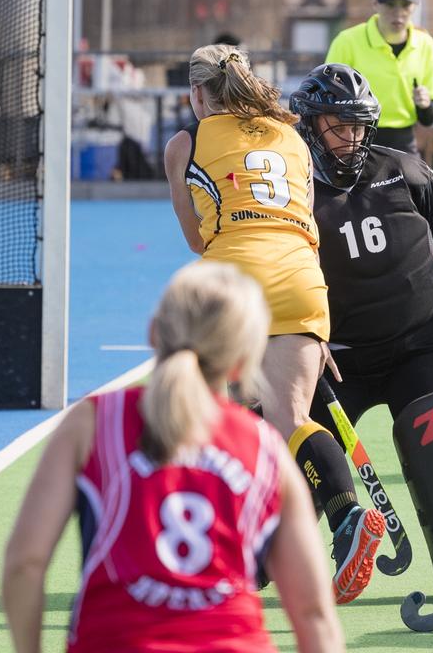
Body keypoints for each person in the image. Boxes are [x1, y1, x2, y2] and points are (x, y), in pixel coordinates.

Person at [1, 262, 345, 653]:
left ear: (153, 333)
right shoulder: (266, 448)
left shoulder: (93, 424)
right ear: (241, 362)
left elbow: (24, 564)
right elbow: (313, 613)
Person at [289, 63, 433, 599]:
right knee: (279, 429)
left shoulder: (407, 171)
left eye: (357, 126)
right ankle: (259, 549)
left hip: (418, 341)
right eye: (337, 124)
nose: (350, 137)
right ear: (309, 123)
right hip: (333, 359)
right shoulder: (287, 189)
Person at [162, 43, 384, 605]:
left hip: (235, 283)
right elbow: (305, 219)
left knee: (220, 422)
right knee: (291, 417)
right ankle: (344, 517)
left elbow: (197, 238)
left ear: (196, 94)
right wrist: (312, 331)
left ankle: (214, 553)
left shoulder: (185, 143)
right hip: (303, 281)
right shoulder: (293, 138)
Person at [324, 0, 433, 157]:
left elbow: (430, 118)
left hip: (403, 142)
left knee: (418, 185)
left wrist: (425, 104)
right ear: (375, 4)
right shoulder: (347, 41)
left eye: (405, 5)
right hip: (355, 139)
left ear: (414, 6)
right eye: (390, 4)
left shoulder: (425, 44)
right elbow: (327, 100)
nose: (399, 12)